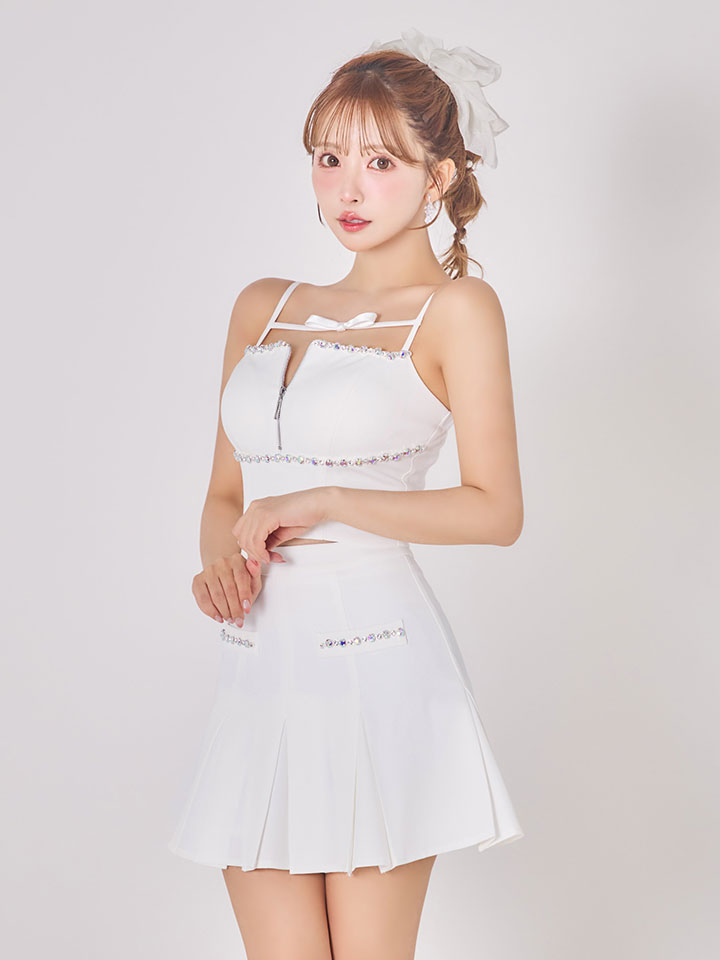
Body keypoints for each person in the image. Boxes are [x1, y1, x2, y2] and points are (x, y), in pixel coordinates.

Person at [168, 27, 525, 960]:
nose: (349, 189)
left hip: (379, 667)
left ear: (438, 177)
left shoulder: (458, 312)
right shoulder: (263, 305)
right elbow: (224, 493)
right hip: (260, 667)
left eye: (380, 162)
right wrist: (220, 568)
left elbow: (496, 510)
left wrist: (325, 500)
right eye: (330, 159)